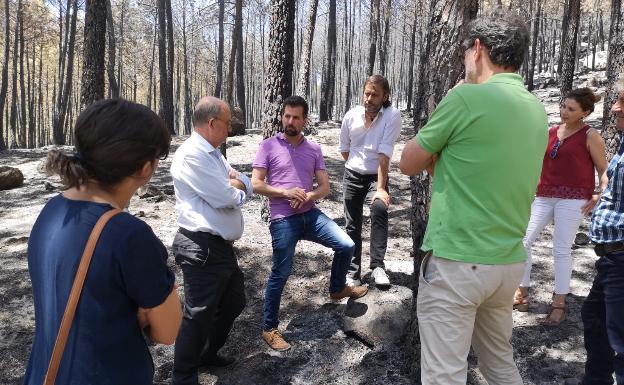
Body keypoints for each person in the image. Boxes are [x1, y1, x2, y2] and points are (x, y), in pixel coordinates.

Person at [399, 15, 547, 385]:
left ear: (478, 48)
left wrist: (451, 99)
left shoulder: (465, 97)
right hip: (506, 262)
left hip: (457, 262)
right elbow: (477, 172)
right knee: (500, 365)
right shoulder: (536, 108)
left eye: (466, 50)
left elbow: (408, 162)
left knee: (444, 375)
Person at [24, 99, 182, 385]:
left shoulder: (52, 211)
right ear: (146, 168)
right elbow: (168, 331)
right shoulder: (129, 236)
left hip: (45, 374)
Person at [252, 95, 368, 352]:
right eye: (286, 116)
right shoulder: (268, 146)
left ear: (305, 120)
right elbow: (256, 183)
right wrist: (286, 193)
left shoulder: (313, 149)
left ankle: (337, 288)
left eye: (295, 117)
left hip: (310, 214)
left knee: (346, 245)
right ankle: (269, 328)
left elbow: (325, 187)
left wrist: (309, 195)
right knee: (280, 273)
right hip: (283, 218)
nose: (290, 121)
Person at [170, 96, 252, 385]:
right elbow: (227, 196)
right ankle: (183, 376)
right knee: (198, 314)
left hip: (219, 247)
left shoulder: (213, 152)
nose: (230, 129)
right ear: (212, 123)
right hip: (200, 246)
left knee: (233, 301)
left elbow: (238, 179)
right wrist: (241, 187)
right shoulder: (192, 155)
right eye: (228, 124)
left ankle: (206, 353)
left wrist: (241, 183)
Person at [514, 88, 607, 326]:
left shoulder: (590, 135)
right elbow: (536, 164)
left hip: (574, 198)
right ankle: (521, 293)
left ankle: (559, 304)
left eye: (571, 109)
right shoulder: (551, 133)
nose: (564, 112)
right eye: (563, 106)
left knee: (561, 248)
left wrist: (599, 195)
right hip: (544, 194)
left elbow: (603, 170)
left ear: (585, 112)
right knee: (522, 240)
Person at [339, 74, 402, 287]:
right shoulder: (351, 116)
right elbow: (345, 150)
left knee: (379, 210)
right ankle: (352, 273)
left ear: (385, 96)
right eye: (367, 93)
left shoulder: (392, 116)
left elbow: (385, 154)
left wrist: (381, 188)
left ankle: (377, 266)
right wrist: (357, 166)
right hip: (352, 175)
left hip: (377, 175)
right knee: (351, 225)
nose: (369, 98)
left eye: (375, 95)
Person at [582, 80, 624, 385]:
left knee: (621, 338)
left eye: (623, 103)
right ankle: (595, 380)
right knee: (594, 317)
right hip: (611, 256)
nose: (614, 108)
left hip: (621, 256)